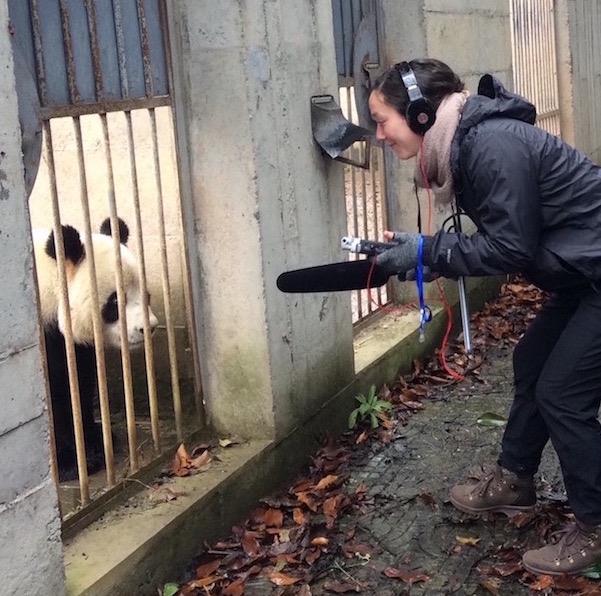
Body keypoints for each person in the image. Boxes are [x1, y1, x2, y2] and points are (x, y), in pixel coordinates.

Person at [369, 58, 601, 576]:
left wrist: (429, 252)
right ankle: (515, 479)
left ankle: (595, 525)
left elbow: (510, 249)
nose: (379, 136)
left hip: (593, 272)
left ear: (422, 114)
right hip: (584, 274)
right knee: (533, 364)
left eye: (383, 121)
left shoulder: (490, 145)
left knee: (563, 392)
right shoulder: (469, 144)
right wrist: (423, 252)